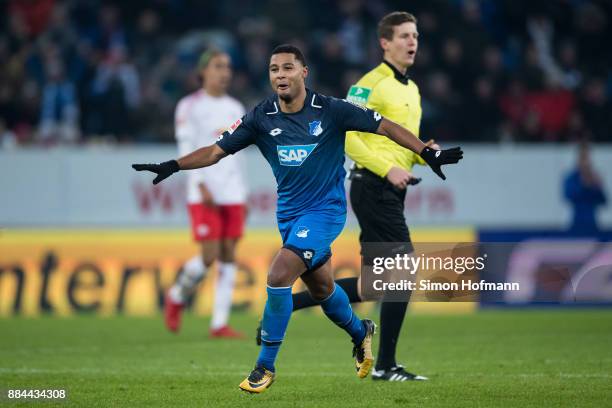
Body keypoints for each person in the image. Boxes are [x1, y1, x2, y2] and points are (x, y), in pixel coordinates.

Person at [132, 44, 462, 394]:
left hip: (326, 212)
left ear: (304, 73)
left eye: (287, 68)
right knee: (323, 289)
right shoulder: (261, 117)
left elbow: (386, 127)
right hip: (289, 215)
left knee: (279, 273)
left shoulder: (334, 111)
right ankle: (359, 331)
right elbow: (215, 151)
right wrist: (174, 165)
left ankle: (265, 365)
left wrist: (426, 151)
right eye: (274, 70)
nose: (280, 75)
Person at [258, 11, 432, 382]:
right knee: (402, 276)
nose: (412, 42)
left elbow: (401, 144)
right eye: (403, 36)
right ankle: (386, 365)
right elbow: (350, 137)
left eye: (415, 35)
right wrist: (388, 169)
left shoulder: (412, 89)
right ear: (384, 43)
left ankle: (296, 301)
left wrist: (423, 153)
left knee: (374, 284)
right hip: (373, 186)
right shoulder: (369, 84)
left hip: (392, 189)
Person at [165, 49, 248, 338]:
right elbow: (185, 148)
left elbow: (238, 154)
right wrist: (199, 182)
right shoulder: (189, 106)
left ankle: (219, 323)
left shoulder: (235, 107)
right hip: (203, 190)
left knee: (228, 255)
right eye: (217, 66)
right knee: (209, 255)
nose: (224, 72)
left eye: (227, 66)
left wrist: (241, 192)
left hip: (232, 191)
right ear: (203, 72)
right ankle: (177, 295)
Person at [563, 141, 607, 235]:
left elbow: (603, 200)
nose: (585, 161)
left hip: (593, 223)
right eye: (583, 157)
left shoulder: (594, 177)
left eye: (587, 157)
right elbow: (568, 196)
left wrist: (596, 187)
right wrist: (584, 185)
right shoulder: (571, 177)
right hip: (577, 222)